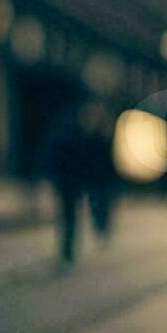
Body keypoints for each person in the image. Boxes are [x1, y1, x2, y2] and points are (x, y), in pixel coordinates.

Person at [41, 99, 116, 264]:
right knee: (70, 215)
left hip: (71, 181)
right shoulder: (82, 136)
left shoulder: (84, 135)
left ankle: (68, 247)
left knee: (70, 215)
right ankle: (68, 247)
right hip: (70, 181)